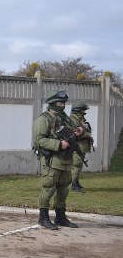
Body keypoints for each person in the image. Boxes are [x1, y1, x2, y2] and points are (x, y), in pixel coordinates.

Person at [32, 90, 83, 230]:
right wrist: (58, 144)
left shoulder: (65, 118)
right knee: (48, 188)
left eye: (64, 103)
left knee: (64, 189)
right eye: (60, 103)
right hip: (52, 160)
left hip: (66, 159)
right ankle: (43, 218)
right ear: (53, 103)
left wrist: (77, 133)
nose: (63, 106)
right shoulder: (43, 119)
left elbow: (71, 132)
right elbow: (39, 140)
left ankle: (60, 217)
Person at [69, 102, 94, 192]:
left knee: (79, 166)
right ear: (78, 110)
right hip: (77, 146)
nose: (84, 112)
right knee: (76, 165)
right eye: (83, 110)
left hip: (81, 146)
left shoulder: (79, 119)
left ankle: (76, 182)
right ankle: (73, 184)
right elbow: (76, 133)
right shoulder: (73, 119)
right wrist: (87, 134)